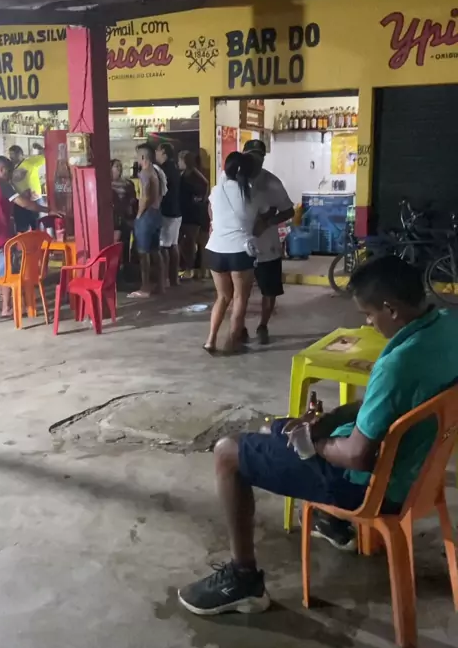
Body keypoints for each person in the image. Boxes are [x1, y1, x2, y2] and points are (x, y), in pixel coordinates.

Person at [178, 255, 458, 615]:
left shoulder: (398, 364)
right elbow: (386, 406)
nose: (368, 323)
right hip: (418, 473)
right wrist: (327, 422)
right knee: (275, 427)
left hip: (370, 488)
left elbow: (356, 455)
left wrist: (315, 443)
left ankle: (243, 580)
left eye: (369, 314)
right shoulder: (446, 328)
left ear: (391, 309)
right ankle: (330, 521)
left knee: (227, 452)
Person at [203, 151, 266, 354]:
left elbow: (211, 212)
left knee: (222, 297)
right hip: (240, 251)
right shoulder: (253, 194)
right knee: (240, 297)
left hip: (215, 249)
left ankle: (211, 340)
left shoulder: (216, 190)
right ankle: (231, 342)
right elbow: (263, 214)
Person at [0, 156, 53, 317]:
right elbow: (24, 203)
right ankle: (6, 308)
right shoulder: (2, 184)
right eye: (9, 172)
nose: (10, 176)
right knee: (6, 273)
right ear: (3, 169)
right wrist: (47, 210)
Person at [242, 139, 294, 344]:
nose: (255, 161)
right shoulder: (233, 179)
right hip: (240, 246)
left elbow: (288, 211)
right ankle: (240, 326)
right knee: (240, 291)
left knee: (269, 290)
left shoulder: (272, 183)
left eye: (259, 157)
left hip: (267, 246)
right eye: (250, 156)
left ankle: (263, 325)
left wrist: (267, 223)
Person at [129, 145, 165, 298]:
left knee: (143, 253)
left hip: (147, 215)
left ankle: (145, 288)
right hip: (157, 213)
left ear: (143, 157)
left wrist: (139, 215)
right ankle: (161, 285)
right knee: (155, 251)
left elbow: (145, 196)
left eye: (138, 156)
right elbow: (160, 194)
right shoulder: (156, 172)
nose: (137, 159)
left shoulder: (144, 173)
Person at [178, 150, 209, 279]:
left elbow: (204, 189)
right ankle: (195, 268)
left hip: (193, 214)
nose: (178, 163)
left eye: (180, 160)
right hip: (187, 213)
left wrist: (199, 200)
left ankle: (192, 269)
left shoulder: (195, 175)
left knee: (191, 242)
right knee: (187, 242)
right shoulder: (186, 174)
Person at [156, 142, 181, 287]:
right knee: (174, 244)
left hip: (166, 211)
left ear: (164, 153)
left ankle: (165, 278)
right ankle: (174, 278)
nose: (156, 154)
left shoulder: (162, 170)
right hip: (177, 210)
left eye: (158, 151)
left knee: (164, 246)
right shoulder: (176, 168)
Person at [111, 159, 137, 270]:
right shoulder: (106, 183)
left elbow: (133, 199)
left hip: (126, 217)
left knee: (125, 243)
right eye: (116, 166)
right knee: (114, 244)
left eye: (120, 166)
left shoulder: (128, 183)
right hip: (113, 218)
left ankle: (126, 267)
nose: (119, 168)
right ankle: (115, 266)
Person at [8, 145, 37, 233]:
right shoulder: (12, 167)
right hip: (18, 200)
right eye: (10, 155)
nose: (11, 157)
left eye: (13, 155)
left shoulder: (27, 164)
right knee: (21, 228)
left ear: (20, 154)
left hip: (31, 198)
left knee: (35, 226)